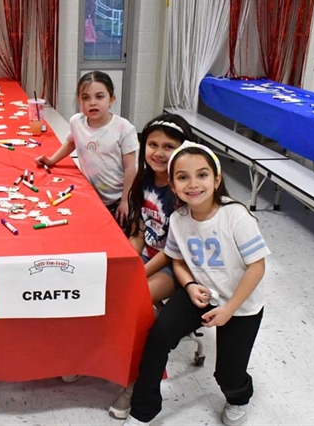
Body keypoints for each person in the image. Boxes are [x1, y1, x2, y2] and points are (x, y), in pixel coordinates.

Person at [124, 142, 270, 426]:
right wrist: (189, 285)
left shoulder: (236, 215)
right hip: (200, 292)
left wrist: (229, 310)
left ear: (216, 180)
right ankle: (143, 410)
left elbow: (257, 267)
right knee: (158, 338)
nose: (193, 184)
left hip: (241, 304)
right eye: (182, 177)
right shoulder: (179, 219)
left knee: (227, 374)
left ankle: (238, 397)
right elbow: (177, 260)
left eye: (202, 175)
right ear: (174, 186)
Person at [108, 113, 193, 419]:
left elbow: (174, 251)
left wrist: (137, 275)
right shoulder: (144, 181)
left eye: (169, 146)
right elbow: (140, 232)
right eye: (153, 144)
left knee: (133, 303)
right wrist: (128, 263)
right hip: (150, 256)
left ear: (185, 150)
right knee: (104, 290)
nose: (158, 152)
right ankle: (101, 361)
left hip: (177, 264)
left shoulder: (183, 190)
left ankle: (136, 380)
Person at [34, 70, 139, 230]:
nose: (92, 102)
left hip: (117, 197)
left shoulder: (124, 128)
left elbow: (131, 168)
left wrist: (125, 200)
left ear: (111, 100)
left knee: (115, 236)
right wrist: (51, 160)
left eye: (99, 96)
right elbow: (71, 142)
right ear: (79, 101)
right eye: (86, 97)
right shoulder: (77, 122)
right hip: (91, 194)